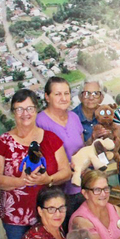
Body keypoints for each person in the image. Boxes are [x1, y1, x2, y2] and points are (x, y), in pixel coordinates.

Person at [0, 89, 71, 239]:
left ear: (36, 110)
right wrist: (21, 182)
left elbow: (66, 172)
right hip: (15, 217)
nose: (25, 114)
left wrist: (47, 179)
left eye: (29, 108)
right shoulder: (3, 142)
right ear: (13, 112)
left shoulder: (51, 138)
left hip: (48, 214)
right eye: (19, 109)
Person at [36, 77, 85, 217]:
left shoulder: (74, 117)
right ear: (47, 97)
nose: (63, 98)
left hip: (80, 188)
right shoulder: (40, 121)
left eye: (66, 93)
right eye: (57, 94)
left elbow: (81, 149)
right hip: (56, 193)